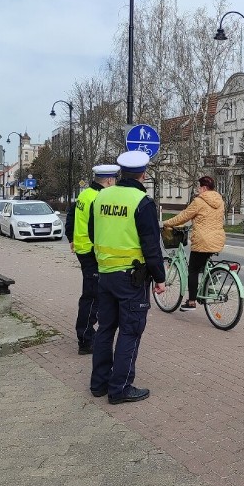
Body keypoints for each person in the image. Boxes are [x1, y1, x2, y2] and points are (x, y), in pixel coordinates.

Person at [88, 150, 165, 405]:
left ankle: (98, 383)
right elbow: (151, 246)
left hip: (104, 274)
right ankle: (120, 388)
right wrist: (160, 278)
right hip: (131, 279)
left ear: (121, 173)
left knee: (105, 329)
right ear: (143, 173)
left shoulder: (101, 197)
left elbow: (92, 231)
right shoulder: (142, 201)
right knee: (130, 331)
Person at [65, 163, 119, 355]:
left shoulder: (85, 194)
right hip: (92, 252)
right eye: (114, 180)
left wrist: (71, 237)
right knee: (92, 296)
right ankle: (86, 339)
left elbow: (71, 215)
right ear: (109, 180)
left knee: (92, 294)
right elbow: (98, 227)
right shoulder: (100, 197)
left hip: (82, 249)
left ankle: (88, 334)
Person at [162, 175, 226, 311]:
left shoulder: (199, 201)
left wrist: (166, 223)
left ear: (203, 188)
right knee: (203, 263)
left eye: (199, 187)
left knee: (193, 270)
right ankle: (212, 278)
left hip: (203, 240)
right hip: (218, 238)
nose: (198, 190)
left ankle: (191, 302)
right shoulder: (220, 200)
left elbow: (184, 216)